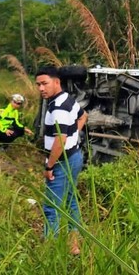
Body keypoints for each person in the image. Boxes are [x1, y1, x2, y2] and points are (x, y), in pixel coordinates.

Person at [35, 66, 88, 255]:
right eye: (38, 85)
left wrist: (49, 165)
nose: (41, 88)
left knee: (52, 207)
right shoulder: (67, 98)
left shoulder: (58, 107)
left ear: (56, 82)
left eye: (44, 83)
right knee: (71, 201)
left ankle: (51, 250)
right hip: (74, 156)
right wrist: (74, 133)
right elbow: (83, 116)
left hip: (61, 161)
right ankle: (74, 246)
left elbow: (60, 140)